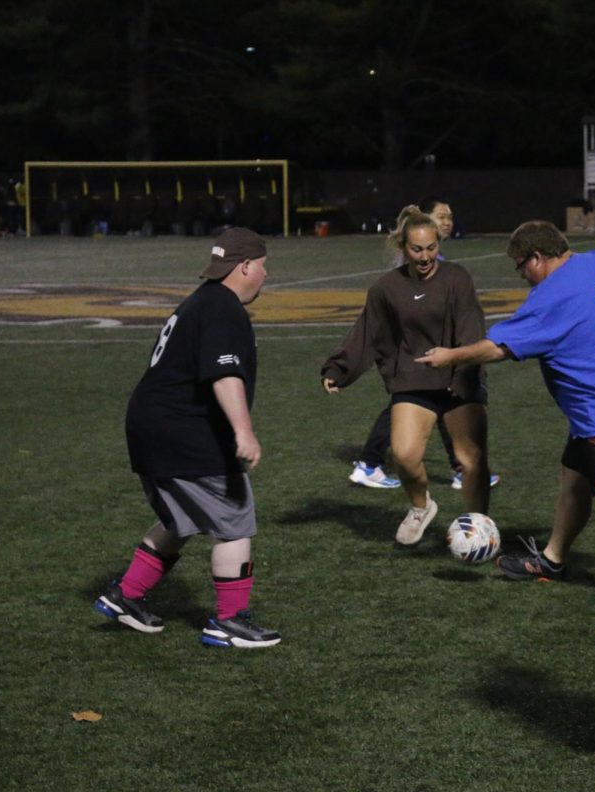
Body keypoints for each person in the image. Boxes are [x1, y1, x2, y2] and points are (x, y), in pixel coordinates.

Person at [416, 221, 595, 612]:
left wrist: (449, 356)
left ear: (537, 258)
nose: (523, 276)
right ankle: (553, 559)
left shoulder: (551, 297)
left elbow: (497, 348)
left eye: (520, 267)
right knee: (574, 481)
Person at [93, 227, 281, 648]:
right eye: (264, 267)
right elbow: (223, 372)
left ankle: (127, 594)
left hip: (149, 426)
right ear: (245, 266)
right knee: (235, 519)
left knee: (181, 517)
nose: (266, 275)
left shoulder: (201, 301)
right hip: (183, 430)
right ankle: (230, 622)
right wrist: (244, 431)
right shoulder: (223, 308)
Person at [321, 205, 491, 547]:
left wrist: (464, 374)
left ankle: (479, 526)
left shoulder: (457, 278)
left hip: (459, 380)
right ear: (404, 248)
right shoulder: (386, 289)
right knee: (403, 455)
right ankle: (420, 507)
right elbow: (367, 332)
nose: (425, 256)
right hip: (415, 381)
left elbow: (472, 329)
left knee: (470, 460)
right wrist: (339, 369)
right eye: (417, 249)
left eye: (432, 248)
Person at [348, 196, 501, 492]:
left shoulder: (439, 264)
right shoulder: (417, 263)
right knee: (425, 397)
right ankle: (373, 462)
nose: (447, 222)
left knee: (434, 397)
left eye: (450, 217)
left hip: (422, 345)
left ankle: (375, 463)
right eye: (441, 217)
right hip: (411, 343)